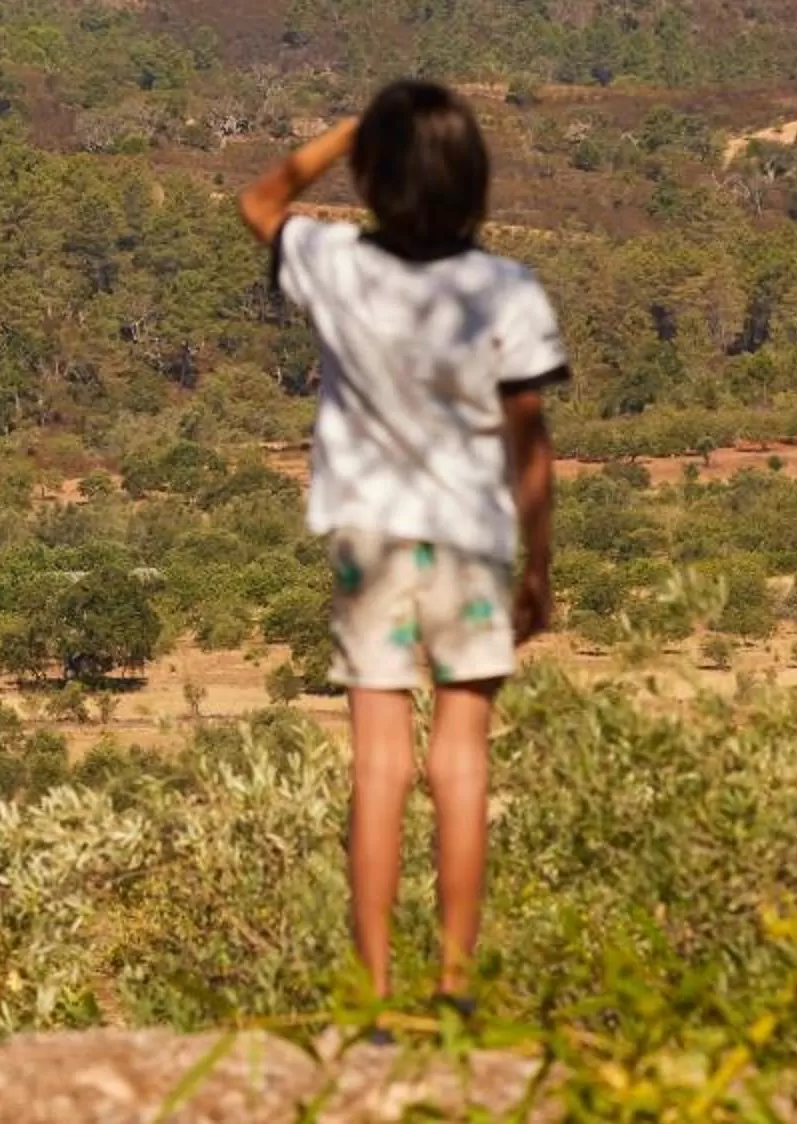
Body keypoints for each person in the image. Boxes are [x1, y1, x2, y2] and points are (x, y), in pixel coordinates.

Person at [238, 79, 569, 1007]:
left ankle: (372, 994)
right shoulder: (506, 287)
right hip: (472, 538)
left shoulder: (336, 263)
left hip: (370, 538)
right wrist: (539, 564)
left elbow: (258, 200)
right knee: (462, 757)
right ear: (475, 183)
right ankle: (455, 983)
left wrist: (343, 133)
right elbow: (530, 439)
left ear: (373, 178)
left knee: (378, 761)